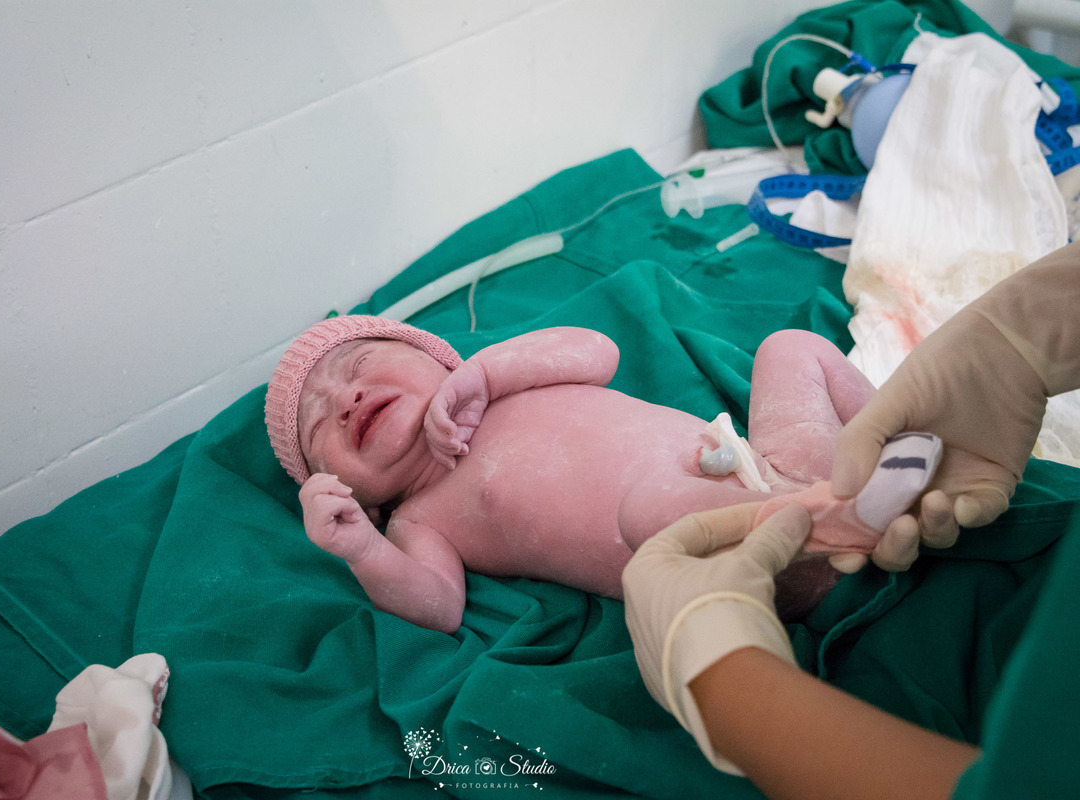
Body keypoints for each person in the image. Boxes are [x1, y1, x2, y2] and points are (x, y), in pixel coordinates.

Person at [622, 240, 1080, 799]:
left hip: (855, 622)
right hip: (931, 552)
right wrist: (1025, 334)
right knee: (790, 356)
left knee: (657, 509)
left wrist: (728, 684)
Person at [264, 315, 940, 633]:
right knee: (647, 511)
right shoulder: (418, 519)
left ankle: (904, 436)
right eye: (318, 428)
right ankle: (841, 516)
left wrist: (489, 372)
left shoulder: (503, 382)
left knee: (789, 349)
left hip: (776, 471)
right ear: (356, 495)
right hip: (739, 560)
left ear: (437, 357)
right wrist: (362, 548)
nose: (345, 399)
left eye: (358, 365)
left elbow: (598, 351)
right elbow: (439, 607)